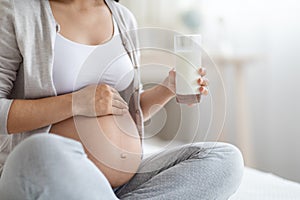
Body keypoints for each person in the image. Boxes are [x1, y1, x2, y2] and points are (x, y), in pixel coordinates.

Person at [0, 0, 244, 199]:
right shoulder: (16, 13)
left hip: (124, 185)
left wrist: (167, 89)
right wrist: (76, 102)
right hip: (53, 172)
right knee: (40, 150)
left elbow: (128, 111)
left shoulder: (122, 17)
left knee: (225, 159)